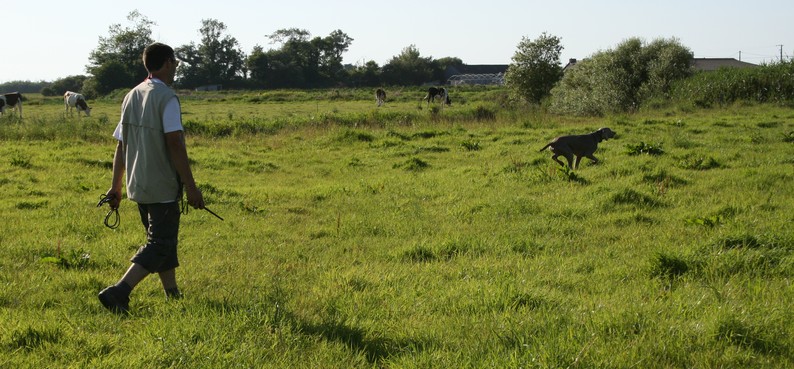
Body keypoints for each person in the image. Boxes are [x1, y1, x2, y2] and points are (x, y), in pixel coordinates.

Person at [98, 42, 204, 314]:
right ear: (167, 62)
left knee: (161, 240)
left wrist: (116, 186)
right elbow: (175, 144)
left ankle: (173, 293)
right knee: (160, 242)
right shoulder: (166, 97)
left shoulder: (131, 95)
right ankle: (119, 291)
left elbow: (121, 145)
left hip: (138, 184)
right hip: (162, 185)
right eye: (175, 62)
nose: (177, 67)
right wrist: (191, 187)